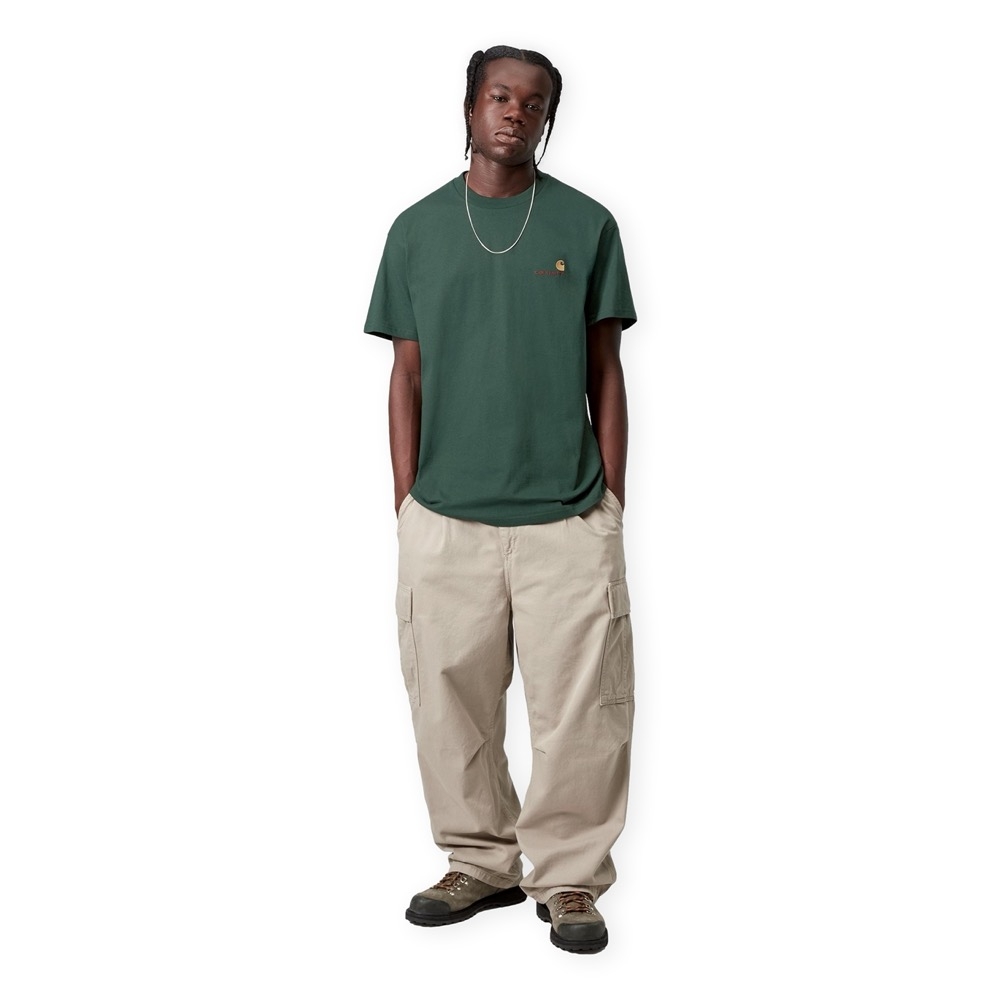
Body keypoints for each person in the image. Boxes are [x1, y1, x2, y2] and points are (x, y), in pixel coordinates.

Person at [364, 44, 637, 954]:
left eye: (533, 102)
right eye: (499, 96)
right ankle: (479, 861)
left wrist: (611, 505)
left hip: (567, 516)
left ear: (547, 119)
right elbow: (405, 376)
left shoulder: (587, 225)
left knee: (583, 711)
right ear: (470, 107)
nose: (515, 112)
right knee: (449, 705)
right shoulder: (415, 231)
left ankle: (568, 877)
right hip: (445, 519)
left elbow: (606, 371)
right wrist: (406, 502)